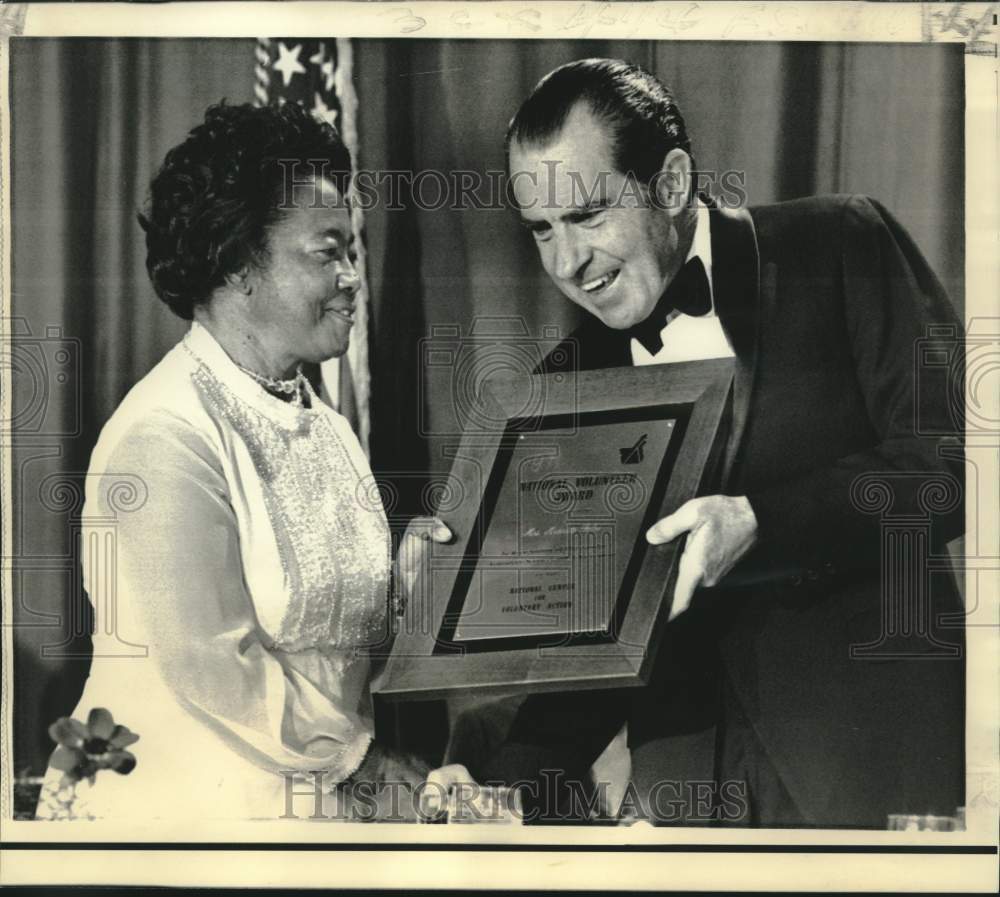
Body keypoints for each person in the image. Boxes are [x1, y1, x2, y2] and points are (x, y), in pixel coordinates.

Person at [442, 58, 965, 827]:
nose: (566, 263)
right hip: (687, 809)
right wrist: (504, 786)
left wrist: (763, 522)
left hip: (873, 775)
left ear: (674, 182)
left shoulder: (841, 244)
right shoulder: (561, 384)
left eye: (588, 216)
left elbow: (956, 464)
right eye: (541, 231)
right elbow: (590, 654)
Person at [37, 102, 450, 821]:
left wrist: (405, 586)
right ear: (237, 266)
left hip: (316, 800)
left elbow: (328, 632)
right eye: (328, 252)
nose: (354, 276)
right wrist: (374, 774)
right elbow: (218, 669)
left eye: (352, 250)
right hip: (181, 822)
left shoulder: (320, 419)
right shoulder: (163, 436)